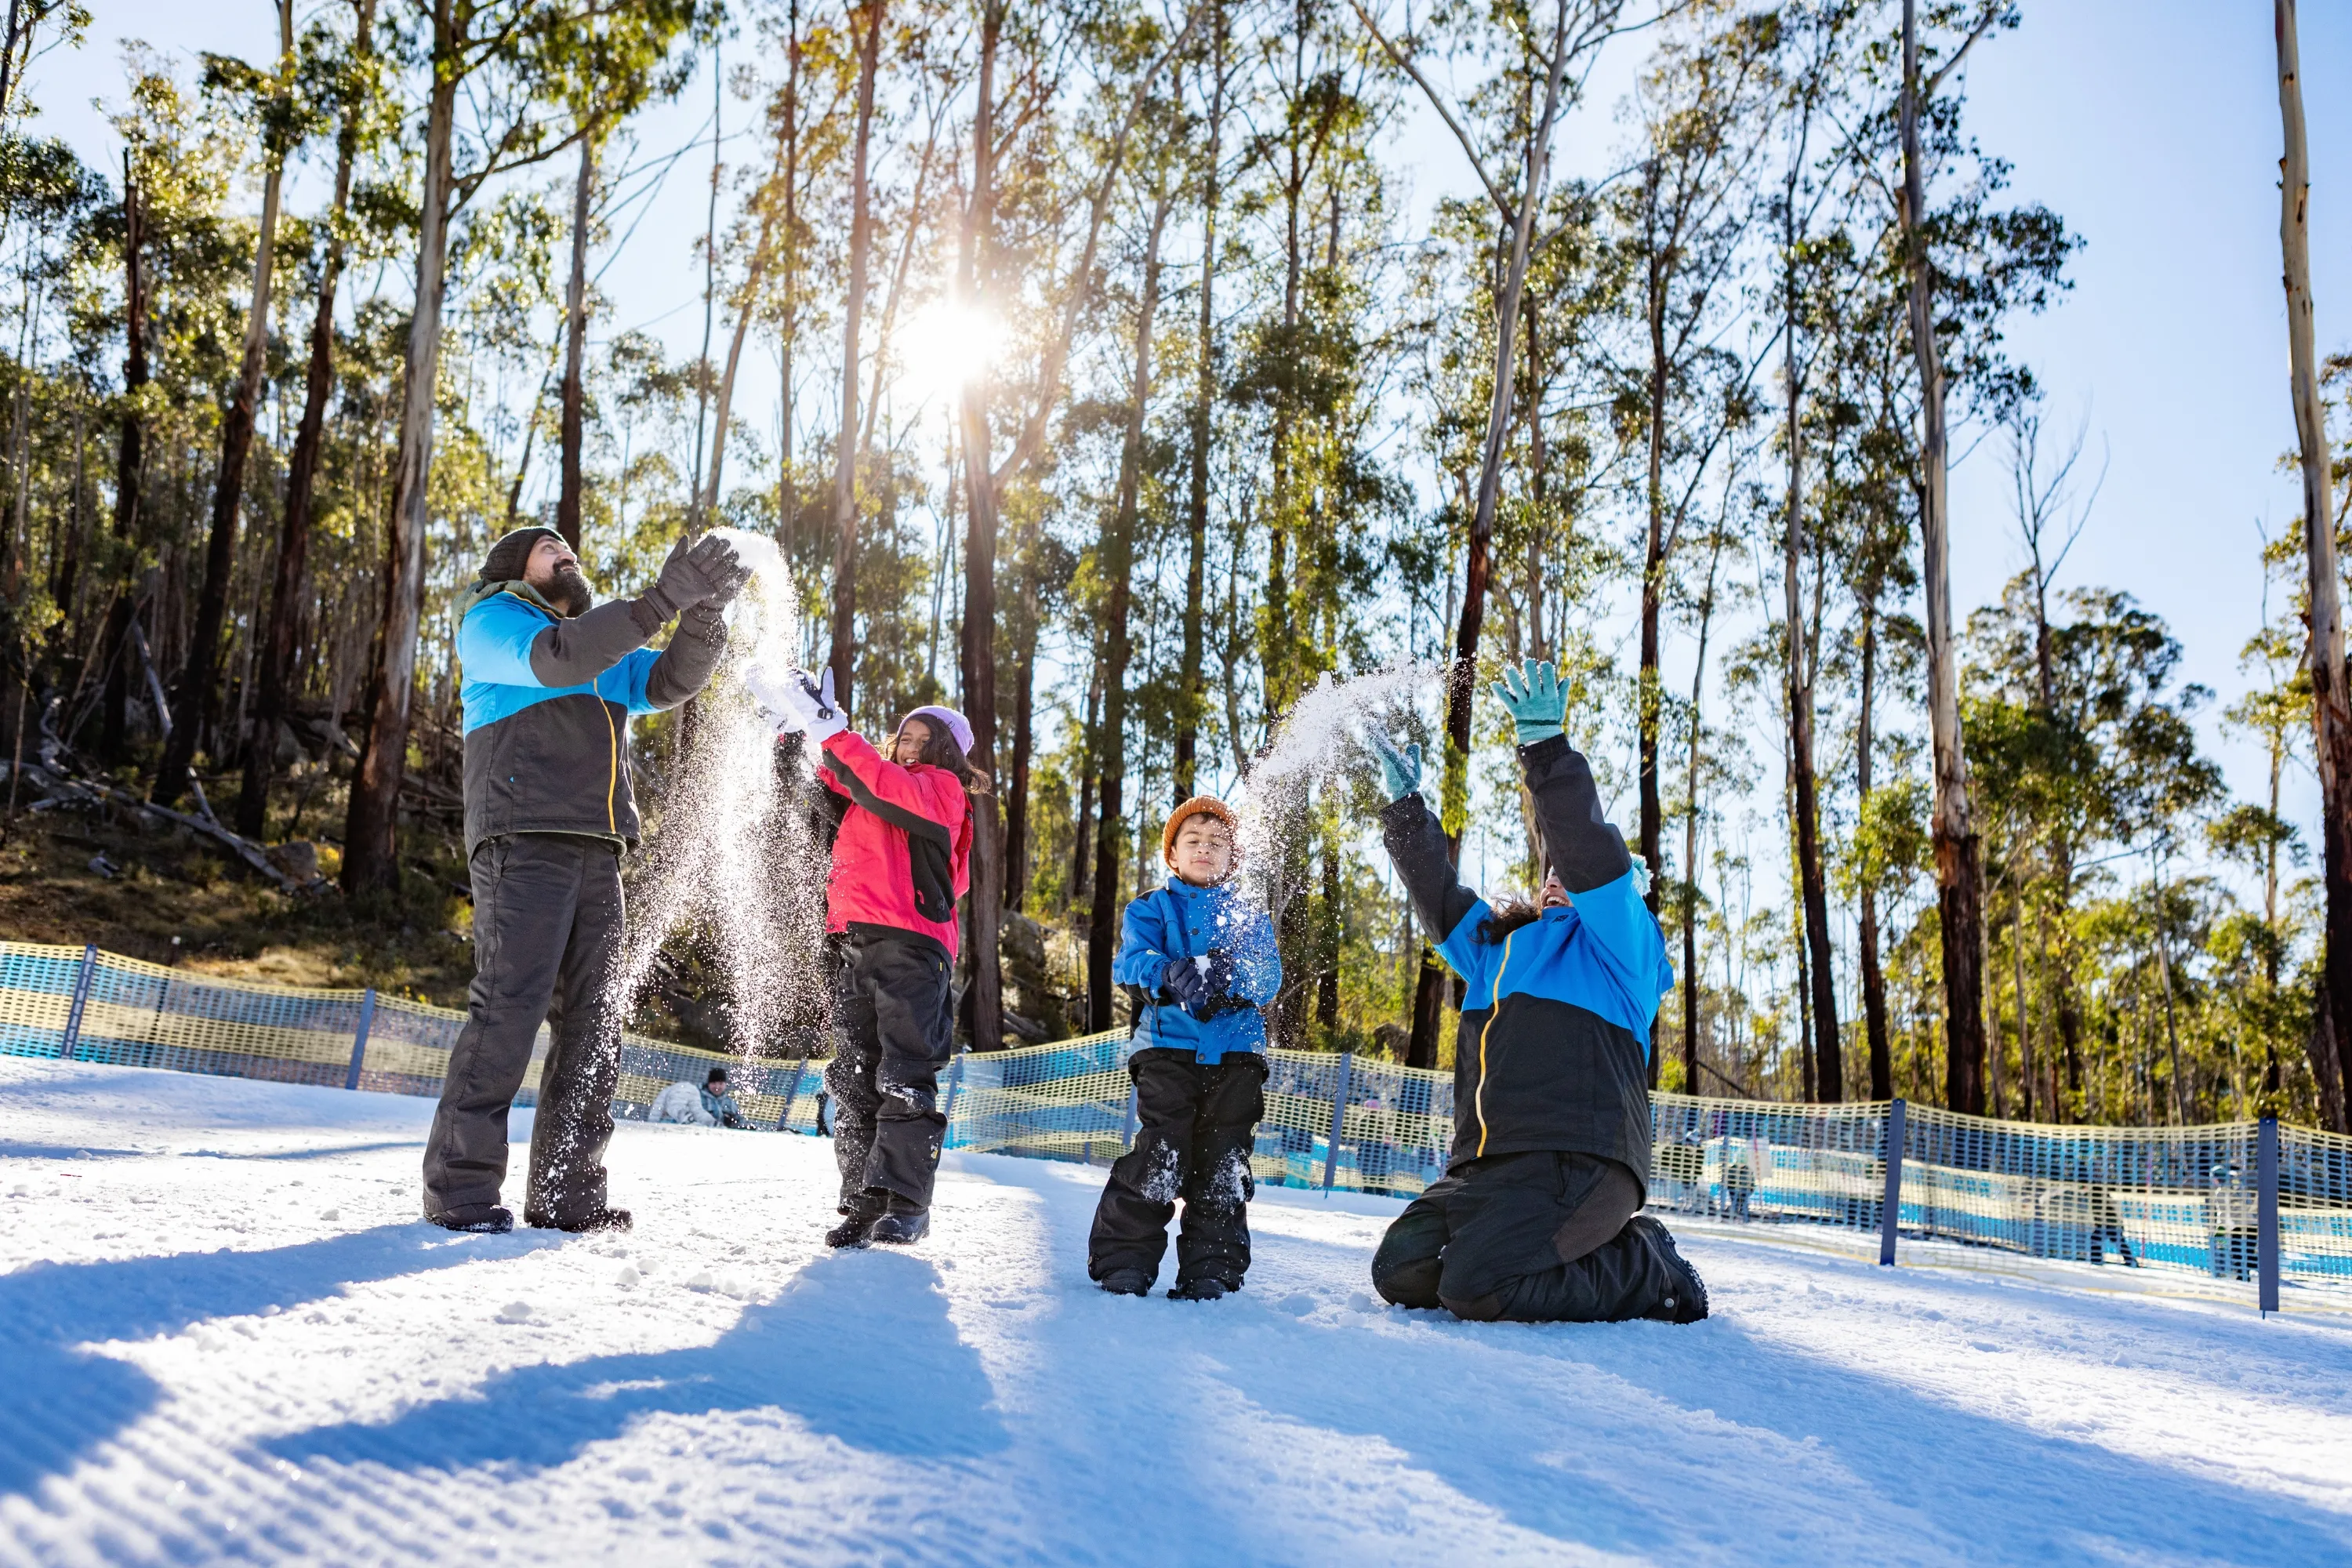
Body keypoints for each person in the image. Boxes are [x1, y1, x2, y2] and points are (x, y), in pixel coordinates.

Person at [422, 525, 750, 1235]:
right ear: (516, 568)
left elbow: (667, 682)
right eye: (551, 551)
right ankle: (461, 1191)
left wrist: (701, 614)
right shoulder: (493, 622)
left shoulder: (598, 644)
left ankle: (569, 1195)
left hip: (597, 848)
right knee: (508, 1009)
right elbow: (558, 661)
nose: (567, 556)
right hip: (523, 836)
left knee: (596, 1027)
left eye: (571, 552)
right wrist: (663, 596)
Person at [1363, 658, 1708, 1323]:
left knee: (1476, 1286)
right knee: (1401, 1267)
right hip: (1487, 1168)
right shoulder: (1497, 947)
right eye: (1551, 872)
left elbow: (1591, 858)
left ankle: (1648, 1265)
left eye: (1571, 876)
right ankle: (1539, 1245)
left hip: (1582, 1162)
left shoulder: (1621, 952)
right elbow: (1439, 897)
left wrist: (1546, 752)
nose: (1558, 878)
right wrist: (1404, 811)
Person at [749, 662, 983, 1247]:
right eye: (904, 734)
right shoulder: (867, 783)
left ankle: (905, 1204)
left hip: (913, 947)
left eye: (925, 738)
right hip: (854, 945)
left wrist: (832, 727)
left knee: (904, 1075)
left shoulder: (941, 791)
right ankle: (862, 1200)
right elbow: (820, 786)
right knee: (853, 1078)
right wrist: (793, 733)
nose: (909, 744)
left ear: (948, 751)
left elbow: (882, 786)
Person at [1089, 797, 1281, 1301]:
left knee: (1223, 1160)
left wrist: (1228, 977)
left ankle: (1211, 1269)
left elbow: (1267, 976)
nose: (1204, 849)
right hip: (1167, 1051)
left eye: (1217, 843)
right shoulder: (1150, 908)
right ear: (1173, 855)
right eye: (1193, 841)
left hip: (1237, 1055)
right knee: (1163, 1150)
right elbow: (1130, 961)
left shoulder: (1248, 915)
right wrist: (1165, 974)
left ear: (1232, 858)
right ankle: (1124, 1260)